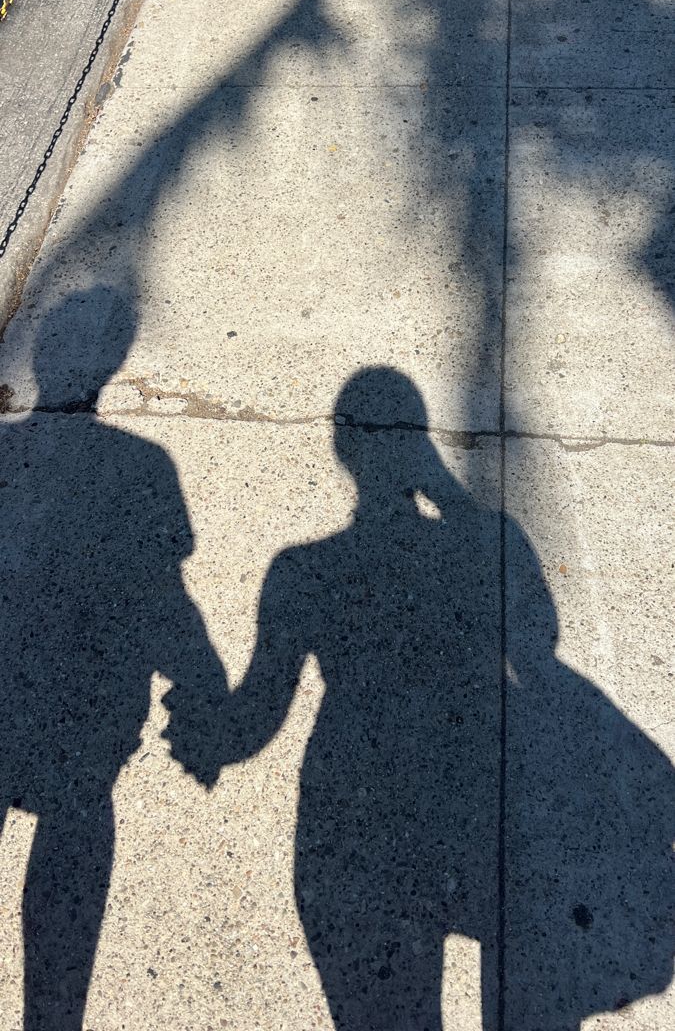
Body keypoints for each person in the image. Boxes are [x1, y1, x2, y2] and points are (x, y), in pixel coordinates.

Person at [182, 366, 673, 1030]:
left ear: (340, 453)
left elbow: (253, 722)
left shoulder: (300, 573)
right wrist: (444, 490)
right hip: (473, 799)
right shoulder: (488, 539)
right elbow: (536, 646)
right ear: (422, 446)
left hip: (353, 814)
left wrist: (200, 732)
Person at [0, 287, 227, 1031]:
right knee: (75, 818)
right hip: (92, 714)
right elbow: (164, 591)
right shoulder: (141, 464)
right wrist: (201, 681)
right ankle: (51, 1019)